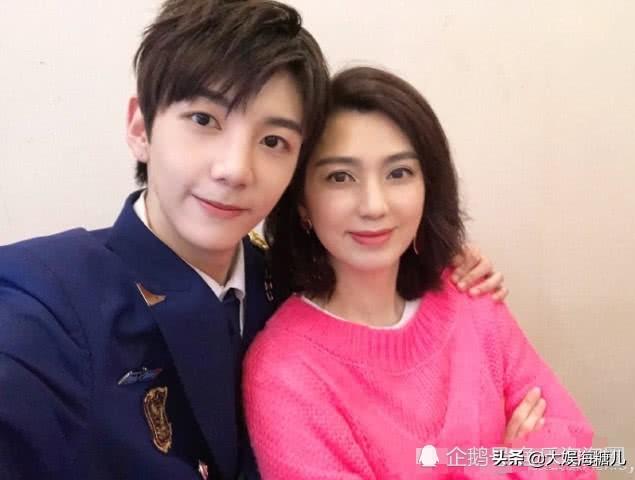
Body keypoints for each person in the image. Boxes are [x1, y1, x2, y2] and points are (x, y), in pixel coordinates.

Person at [0, 2, 508, 479]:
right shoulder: (47, 304)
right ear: (140, 127)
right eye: (204, 120)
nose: (236, 169)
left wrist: (440, 259)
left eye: (273, 141)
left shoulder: (294, 281)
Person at [243, 66, 595, 479]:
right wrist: (506, 463)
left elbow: (577, 451)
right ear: (302, 201)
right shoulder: (285, 372)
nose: (374, 205)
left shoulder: (469, 294)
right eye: (340, 177)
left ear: (428, 186)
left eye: (398, 173)